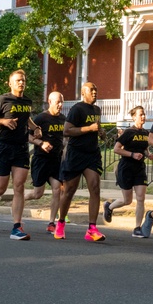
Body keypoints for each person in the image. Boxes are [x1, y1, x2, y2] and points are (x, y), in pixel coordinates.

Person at [0, 70, 41, 240]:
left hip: (20, 148)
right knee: (1, 188)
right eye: (18, 80)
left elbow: (26, 118)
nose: (21, 83)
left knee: (19, 186)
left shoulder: (26, 101)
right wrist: (2, 121)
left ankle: (16, 227)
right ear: (10, 83)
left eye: (23, 80)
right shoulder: (2, 99)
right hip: (3, 147)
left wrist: (35, 127)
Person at [55, 82, 106, 242]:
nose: (95, 92)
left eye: (96, 89)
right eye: (92, 90)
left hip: (91, 154)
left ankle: (92, 228)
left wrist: (100, 132)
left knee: (95, 188)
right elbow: (67, 131)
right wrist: (88, 129)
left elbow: (95, 127)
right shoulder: (77, 108)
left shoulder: (96, 110)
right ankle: (61, 223)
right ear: (83, 93)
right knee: (69, 190)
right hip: (75, 154)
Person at [102, 106, 152, 235]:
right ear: (134, 117)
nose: (143, 117)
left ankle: (137, 228)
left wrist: (148, 154)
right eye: (140, 114)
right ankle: (109, 206)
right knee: (127, 200)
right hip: (126, 168)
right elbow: (116, 149)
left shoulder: (146, 133)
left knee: (141, 198)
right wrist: (132, 154)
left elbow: (145, 149)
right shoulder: (129, 132)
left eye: (144, 114)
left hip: (139, 168)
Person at [25, 91, 65, 233]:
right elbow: (28, 137)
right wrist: (41, 143)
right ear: (49, 102)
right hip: (41, 160)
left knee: (58, 190)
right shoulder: (41, 118)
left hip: (56, 160)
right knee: (37, 194)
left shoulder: (63, 119)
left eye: (61, 102)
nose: (60, 105)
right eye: (57, 102)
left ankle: (51, 222)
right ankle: (20, 200)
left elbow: (64, 138)